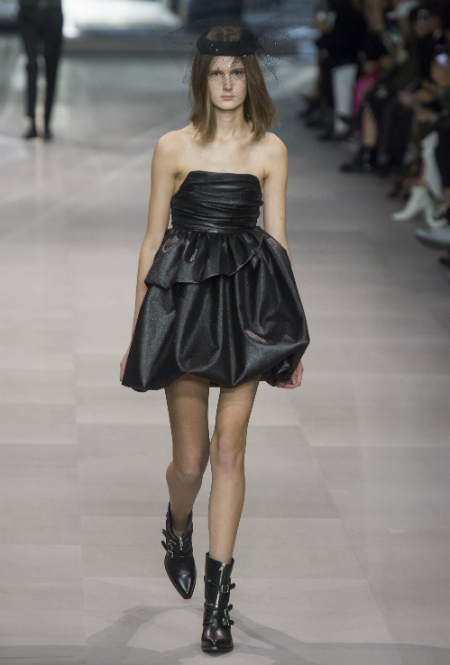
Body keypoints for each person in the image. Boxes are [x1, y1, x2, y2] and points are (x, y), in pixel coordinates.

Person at [120, 23, 310, 654]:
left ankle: (217, 605)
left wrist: (289, 337)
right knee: (192, 462)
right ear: (202, 80)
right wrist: (139, 329)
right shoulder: (172, 147)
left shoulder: (270, 151)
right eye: (215, 73)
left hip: (246, 311)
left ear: (250, 78)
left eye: (236, 72)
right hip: (182, 311)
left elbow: (278, 244)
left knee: (230, 449)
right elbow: (152, 240)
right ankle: (178, 525)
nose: (227, 84)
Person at [18, 0, 63, 140]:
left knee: (51, 68)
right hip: (28, 10)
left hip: (52, 9)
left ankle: (47, 123)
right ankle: (31, 122)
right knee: (31, 66)